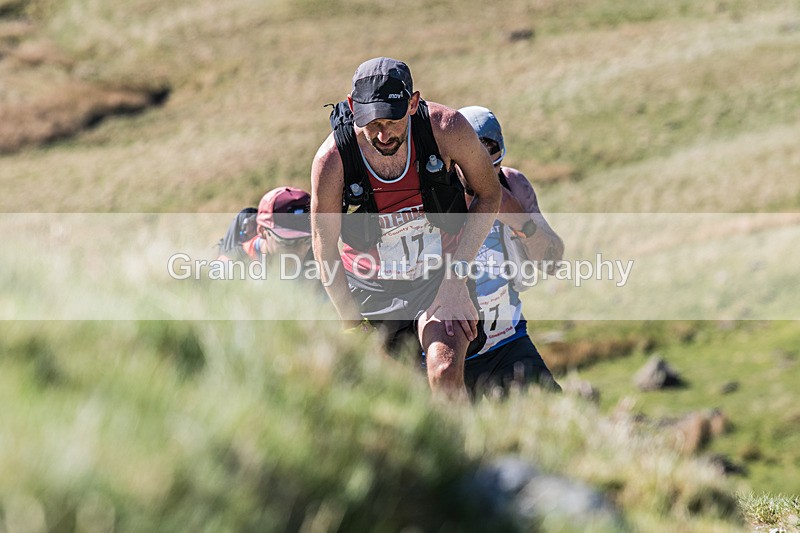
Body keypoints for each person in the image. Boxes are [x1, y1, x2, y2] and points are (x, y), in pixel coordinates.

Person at [310, 57, 501, 398]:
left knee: (443, 370)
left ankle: (458, 450)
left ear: (413, 103)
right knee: (388, 394)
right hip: (373, 288)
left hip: (439, 277)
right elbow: (324, 245)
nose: (382, 134)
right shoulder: (333, 160)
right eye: (371, 122)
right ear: (353, 108)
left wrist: (455, 280)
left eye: (392, 120)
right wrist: (351, 324)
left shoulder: (447, 129)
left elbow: (489, 194)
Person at [455, 105, 563, 395]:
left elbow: (552, 261)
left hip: (509, 340)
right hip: (452, 354)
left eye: (492, 166)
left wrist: (519, 220)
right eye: (471, 169)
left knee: (556, 413)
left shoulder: (513, 184)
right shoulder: (434, 197)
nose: (483, 178)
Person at [217, 186, 312, 263]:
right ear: (262, 231)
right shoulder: (231, 265)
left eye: (307, 240)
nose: (299, 251)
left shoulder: (316, 260)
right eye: (288, 242)